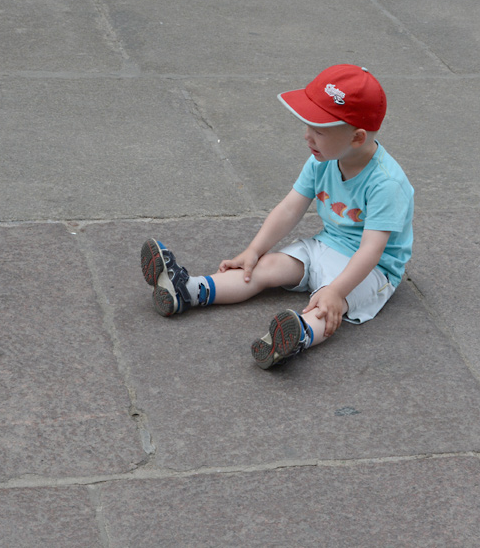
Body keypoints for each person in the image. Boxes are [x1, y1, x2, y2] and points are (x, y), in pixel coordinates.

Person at [140, 64, 414, 369]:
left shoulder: (386, 184)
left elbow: (371, 250)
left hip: (372, 271)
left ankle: (298, 335)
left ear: (357, 137)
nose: (307, 136)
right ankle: (187, 289)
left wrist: (337, 290)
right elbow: (289, 208)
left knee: (325, 304)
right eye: (308, 126)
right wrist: (254, 250)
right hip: (324, 244)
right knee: (265, 266)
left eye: (318, 130)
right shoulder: (321, 160)